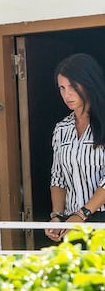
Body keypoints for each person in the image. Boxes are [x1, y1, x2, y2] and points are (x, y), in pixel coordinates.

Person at [45, 53, 105, 243]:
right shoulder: (61, 129)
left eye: (73, 86)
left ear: (89, 83)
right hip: (72, 224)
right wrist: (56, 216)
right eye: (62, 88)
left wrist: (82, 214)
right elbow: (58, 177)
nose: (67, 94)